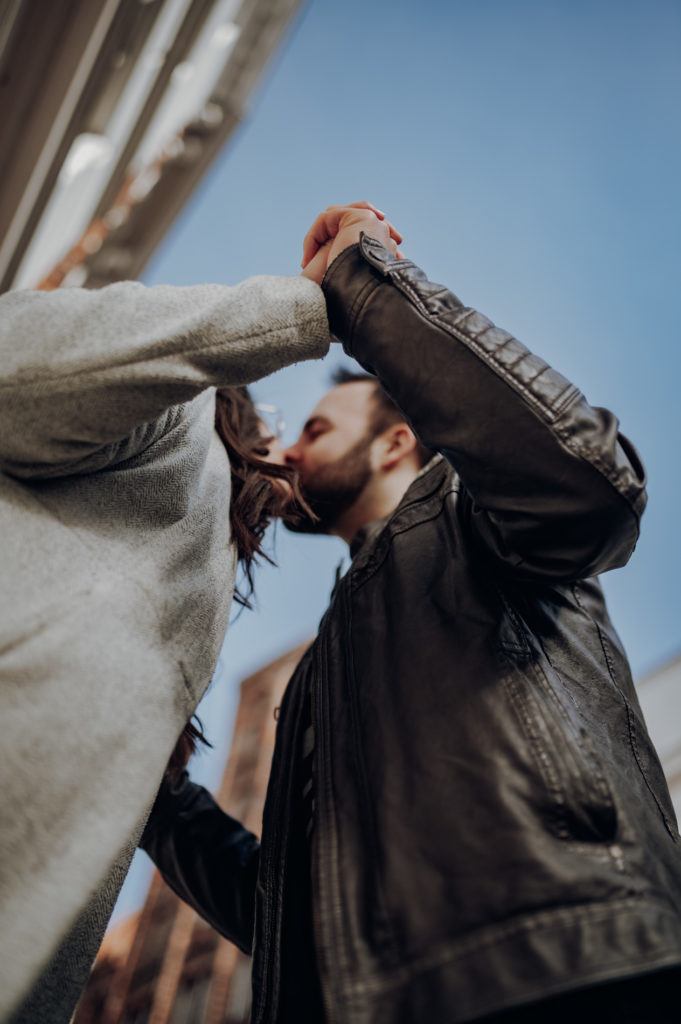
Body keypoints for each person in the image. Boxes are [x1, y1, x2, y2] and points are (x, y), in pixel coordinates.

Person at [141, 208, 681, 1022]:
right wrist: (164, 801)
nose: (285, 453)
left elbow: (589, 484)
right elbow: (294, 921)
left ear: (395, 444)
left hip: (565, 970)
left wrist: (360, 284)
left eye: (315, 429)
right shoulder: (326, 664)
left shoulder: (478, 518)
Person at [0, 202, 403, 1024]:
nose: (287, 454)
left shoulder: (210, 557)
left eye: (313, 430)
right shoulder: (178, 426)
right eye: (282, 432)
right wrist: (312, 305)